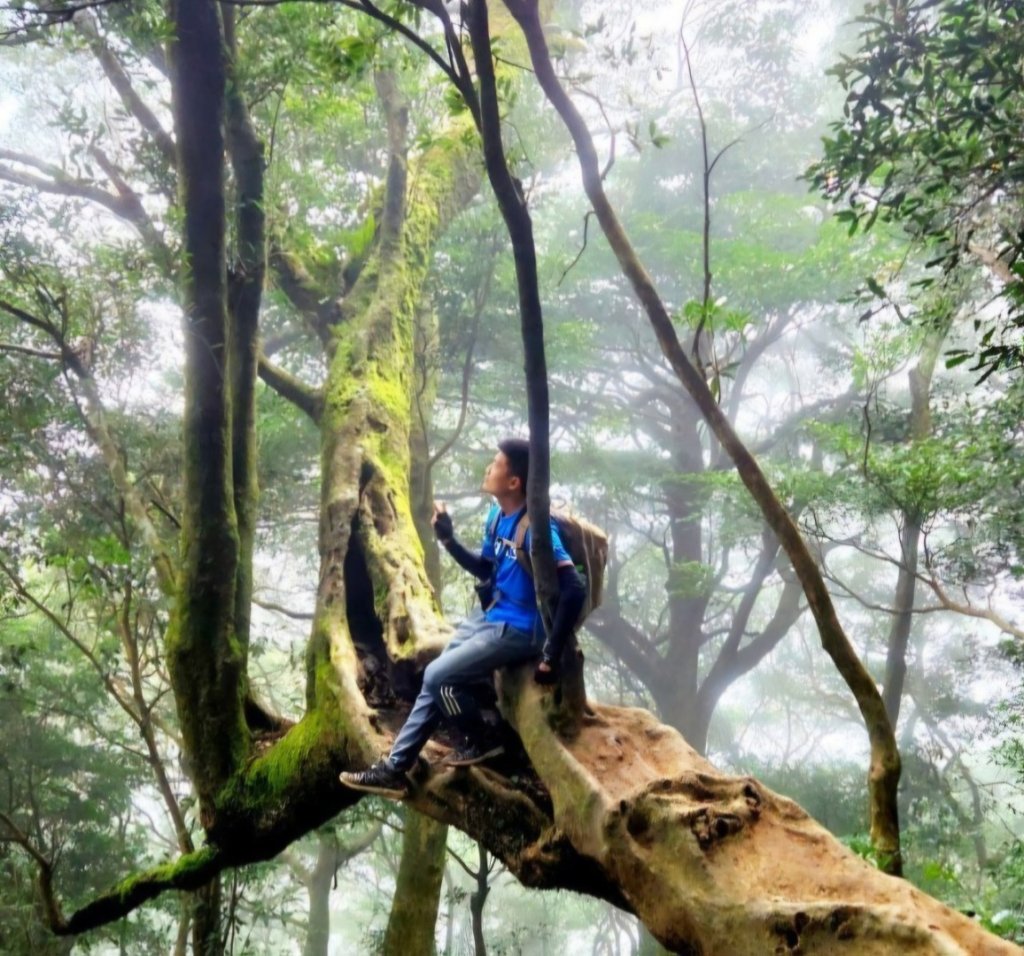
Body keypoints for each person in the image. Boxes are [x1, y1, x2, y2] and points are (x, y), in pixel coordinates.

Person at [340, 438, 586, 799]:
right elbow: (485, 568)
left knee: (439, 676)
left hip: (521, 628)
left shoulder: (536, 529)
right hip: (491, 614)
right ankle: (395, 769)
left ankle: (483, 739)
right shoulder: (496, 515)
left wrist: (550, 654)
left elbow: (574, 588)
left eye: (496, 464)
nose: (489, 468)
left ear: (514, 482)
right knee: (436, 676)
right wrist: (449, 539)